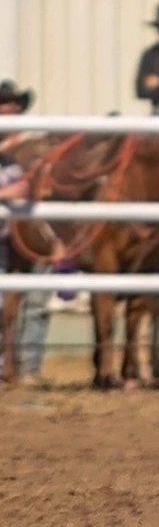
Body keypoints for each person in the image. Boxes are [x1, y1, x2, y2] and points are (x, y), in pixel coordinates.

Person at [0, 79, 48, 382]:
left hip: (24, 235)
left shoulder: (28, 150)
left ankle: (27, 367)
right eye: (6, 103)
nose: (11, 108)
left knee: (34, 300)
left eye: (16, 103)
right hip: (8, 236)